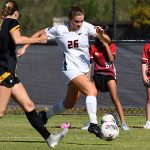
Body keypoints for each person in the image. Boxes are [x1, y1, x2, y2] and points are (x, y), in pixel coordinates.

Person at [18, 5, 110, 138]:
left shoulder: (87, 27)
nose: (79, 24)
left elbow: (108, 41)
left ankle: (44, 115)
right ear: (70, 19)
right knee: (92, 91)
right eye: (76, 21)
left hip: (83, 71)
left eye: (81, 21)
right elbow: (39, 33)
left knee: (69, 103)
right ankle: (93, 125)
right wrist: (25, 47)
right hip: (70, 69)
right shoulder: (60, 30)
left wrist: (101, 35)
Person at [0, 0, 68, 148]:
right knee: (1, 111)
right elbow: (17, 39)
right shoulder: (12, 22)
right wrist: (38, 39)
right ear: (16, 13)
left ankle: (50, 139)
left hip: (8, 72)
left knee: (29, 105)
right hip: (4, 72)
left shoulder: (1, 23)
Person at [81, 25, 129, 131]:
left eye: (104, 35)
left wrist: (106, 45)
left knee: (114, 98)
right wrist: (88, 75)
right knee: (91, 96)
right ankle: (92, 122)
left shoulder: (112, 45)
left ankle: (123, 122)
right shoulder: (93, 47)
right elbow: (90, 62)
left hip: (109, 75)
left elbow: (111, 59)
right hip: (97, 75)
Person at [141, 42, 150, 129]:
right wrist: (144, 75)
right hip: (149, 76)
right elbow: (144, 62)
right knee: (149, 98)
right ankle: (148, 122)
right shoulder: (147, 46)